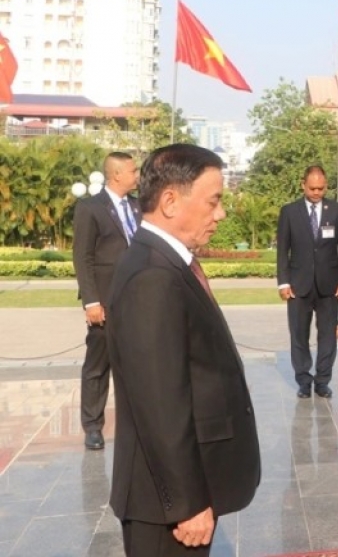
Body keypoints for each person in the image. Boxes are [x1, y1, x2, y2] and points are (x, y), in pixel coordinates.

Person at [106, 144, 260, 556]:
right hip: (165, 506)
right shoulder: (152, 277)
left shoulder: (166, 262)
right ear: (171, 201)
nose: (221, 213)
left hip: (173, 494)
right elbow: (160, 404)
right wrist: (188, 502)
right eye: (214, 201)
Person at [71, 151, 140, 450]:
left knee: (136, 364)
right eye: (134, 171)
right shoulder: (90, 207)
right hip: (105, 303)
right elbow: (82, 257)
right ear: (116, 175)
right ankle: (92, 426)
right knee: (98, 366)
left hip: (136, 300)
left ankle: (137, 422)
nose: (138, 176)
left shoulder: (138, 207)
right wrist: (91, 301)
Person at [276, 165, 338, 399]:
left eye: (321, 188)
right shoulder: (289, 212)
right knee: (298, 334)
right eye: (312, 188)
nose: (317, 192)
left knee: (327, 335)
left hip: (329, 285)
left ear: (326, 186)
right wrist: (283, 282)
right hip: (298, 286)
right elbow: (282, 249)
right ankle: (303, 381)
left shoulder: (337, 211)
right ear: (303, 185)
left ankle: (322, 381)